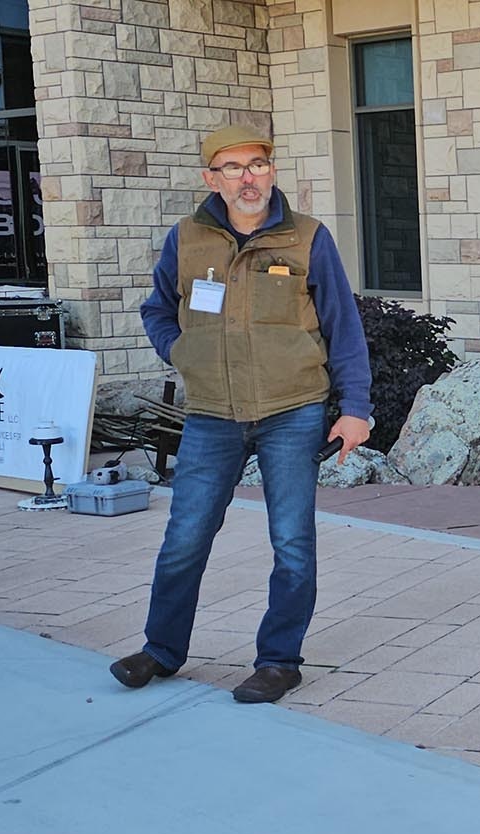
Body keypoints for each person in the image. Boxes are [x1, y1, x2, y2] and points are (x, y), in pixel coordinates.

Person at [110, 125, 373, 704]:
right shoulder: (187, 238)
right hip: (212, 414)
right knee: (185, 537)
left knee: (292, 542)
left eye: (257, 165)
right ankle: (161, 650)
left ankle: (279, 661)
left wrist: (355, 408)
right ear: (213, 179)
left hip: (291, 411)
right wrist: (183, 352)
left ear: (271, 172)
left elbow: (342, 328)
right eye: (233, 168)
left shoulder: (307, 238)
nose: (247, 177)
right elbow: (158, 308)